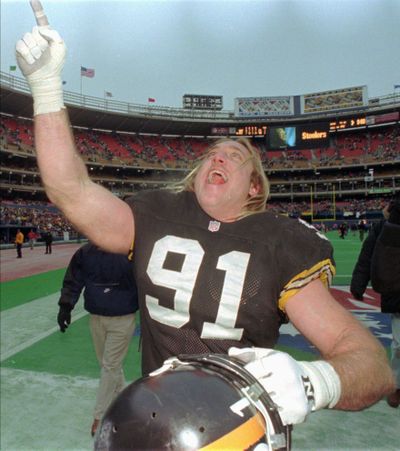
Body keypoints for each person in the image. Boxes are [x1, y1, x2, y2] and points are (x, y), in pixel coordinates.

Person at [16, 5, 394, 436]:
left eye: (235, 156)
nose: (219, 155)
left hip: (241, 430)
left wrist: (316, 382)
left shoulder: (277, 242)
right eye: (213, 153)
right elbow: (71, 191)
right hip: (158, 419)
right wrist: (46, 89)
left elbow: (369, 362)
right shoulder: (156, 214)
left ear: (255, 188)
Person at [57, 242, 139, 436]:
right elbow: (73, 280)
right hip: (96, 318)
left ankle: (100, 416)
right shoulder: (85, 253)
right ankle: (123, 401)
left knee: (110, 366)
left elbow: (146, 280)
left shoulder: (132, 251)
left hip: (123, 318)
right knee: (109, 365)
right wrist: (65, 307)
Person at [370, 193, 400, 408]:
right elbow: (376, 259)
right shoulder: (387, 229)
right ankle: (397, 386)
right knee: (399, 345)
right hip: (398, 295)